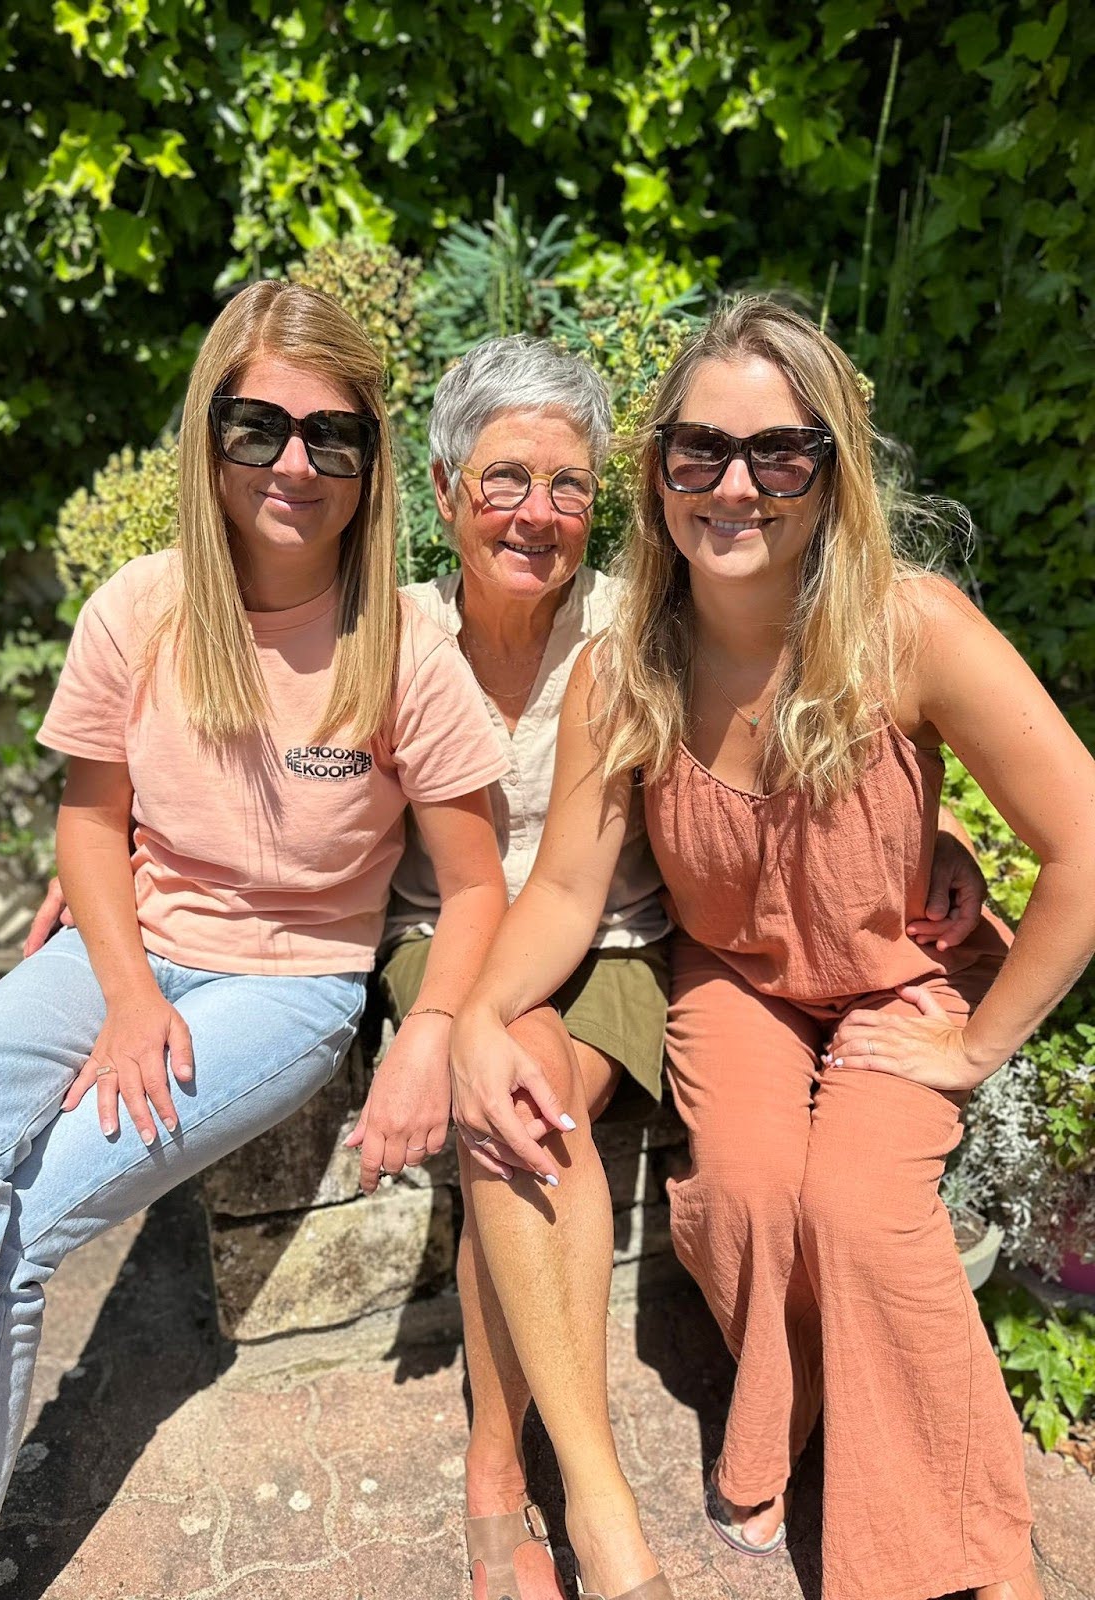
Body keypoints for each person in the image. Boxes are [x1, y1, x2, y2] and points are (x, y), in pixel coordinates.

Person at [19, 331, 990, 1600]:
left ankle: (512, 1486)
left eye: (570, 485)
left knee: (518, 1090)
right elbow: (234, 757)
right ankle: (581, 1505)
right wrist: (113, 838)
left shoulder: (641, 621)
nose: (539, 515)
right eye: (505, 481)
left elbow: (804, 721)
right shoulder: (389, 630)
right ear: (441, 490)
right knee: (514, 1094)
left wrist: (943, 825)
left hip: (624, 944)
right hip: (448, 936)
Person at [450, 296, 1095, 1600]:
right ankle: (788, 1426)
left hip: (898, 983)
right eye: (701, 452)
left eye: (778, 454)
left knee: (861, 1210)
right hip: (736, 979)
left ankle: (975, 1557)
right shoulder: (625, 670)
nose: (735, 486)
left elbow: (1084, 842)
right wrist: (471, 1018)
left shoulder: (910, 630)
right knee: (742, 1200)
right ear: (659, 470)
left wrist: (976, 1044)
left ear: (831, 470)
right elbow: (570, 892)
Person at [0, 280, 510, 1600]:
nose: (294, 462)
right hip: (125, 947)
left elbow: (474, 891)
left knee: (28, 1220)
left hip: (286, 987)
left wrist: (433, 1037)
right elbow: (90, 820)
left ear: (370, 461)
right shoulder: (144, 605)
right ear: (210, 434)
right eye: (259, 428)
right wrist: (122, 994)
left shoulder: (405, 653)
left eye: (331, 436)